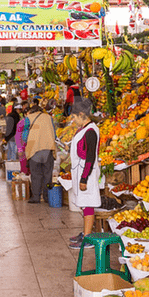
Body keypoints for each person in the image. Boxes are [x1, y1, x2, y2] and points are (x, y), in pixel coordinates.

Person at [67, 100, 102, 250]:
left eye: (74, 117)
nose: (73, 121)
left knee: (88, 204)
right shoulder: (84, 128)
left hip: (87, 173)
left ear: (82, 115)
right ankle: (85, 232)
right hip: (80, 171)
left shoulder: (91, 131)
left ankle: (88, 239)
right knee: (83, 204)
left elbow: (90, 157)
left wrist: (84, 179)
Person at [24, 100, 56, 204]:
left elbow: (24, 137)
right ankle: (47, 197)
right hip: (48, 149)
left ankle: (36, 197)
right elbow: (54, 134)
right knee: (47, 174)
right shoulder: (49, 118)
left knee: (36, 174)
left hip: (34, 150)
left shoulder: (28, 119)